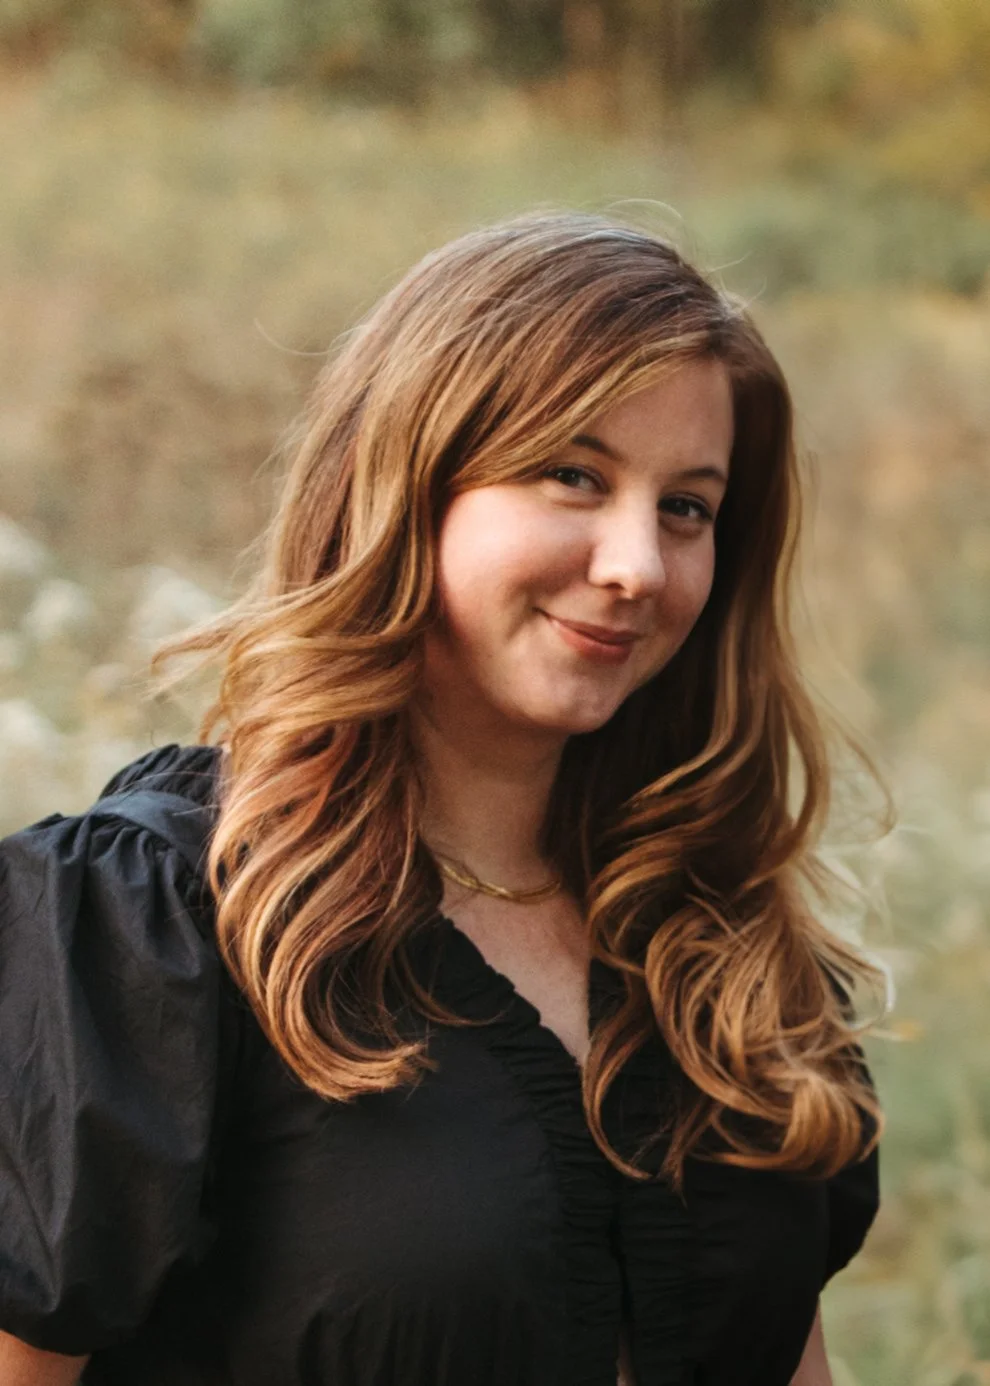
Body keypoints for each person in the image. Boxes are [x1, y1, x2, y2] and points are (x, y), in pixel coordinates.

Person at [0, 211, 886, 1386]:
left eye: (687, 507)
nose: (637, 565)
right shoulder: (156, 927)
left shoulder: (725, 945)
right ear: (407, 481)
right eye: (574, 475)